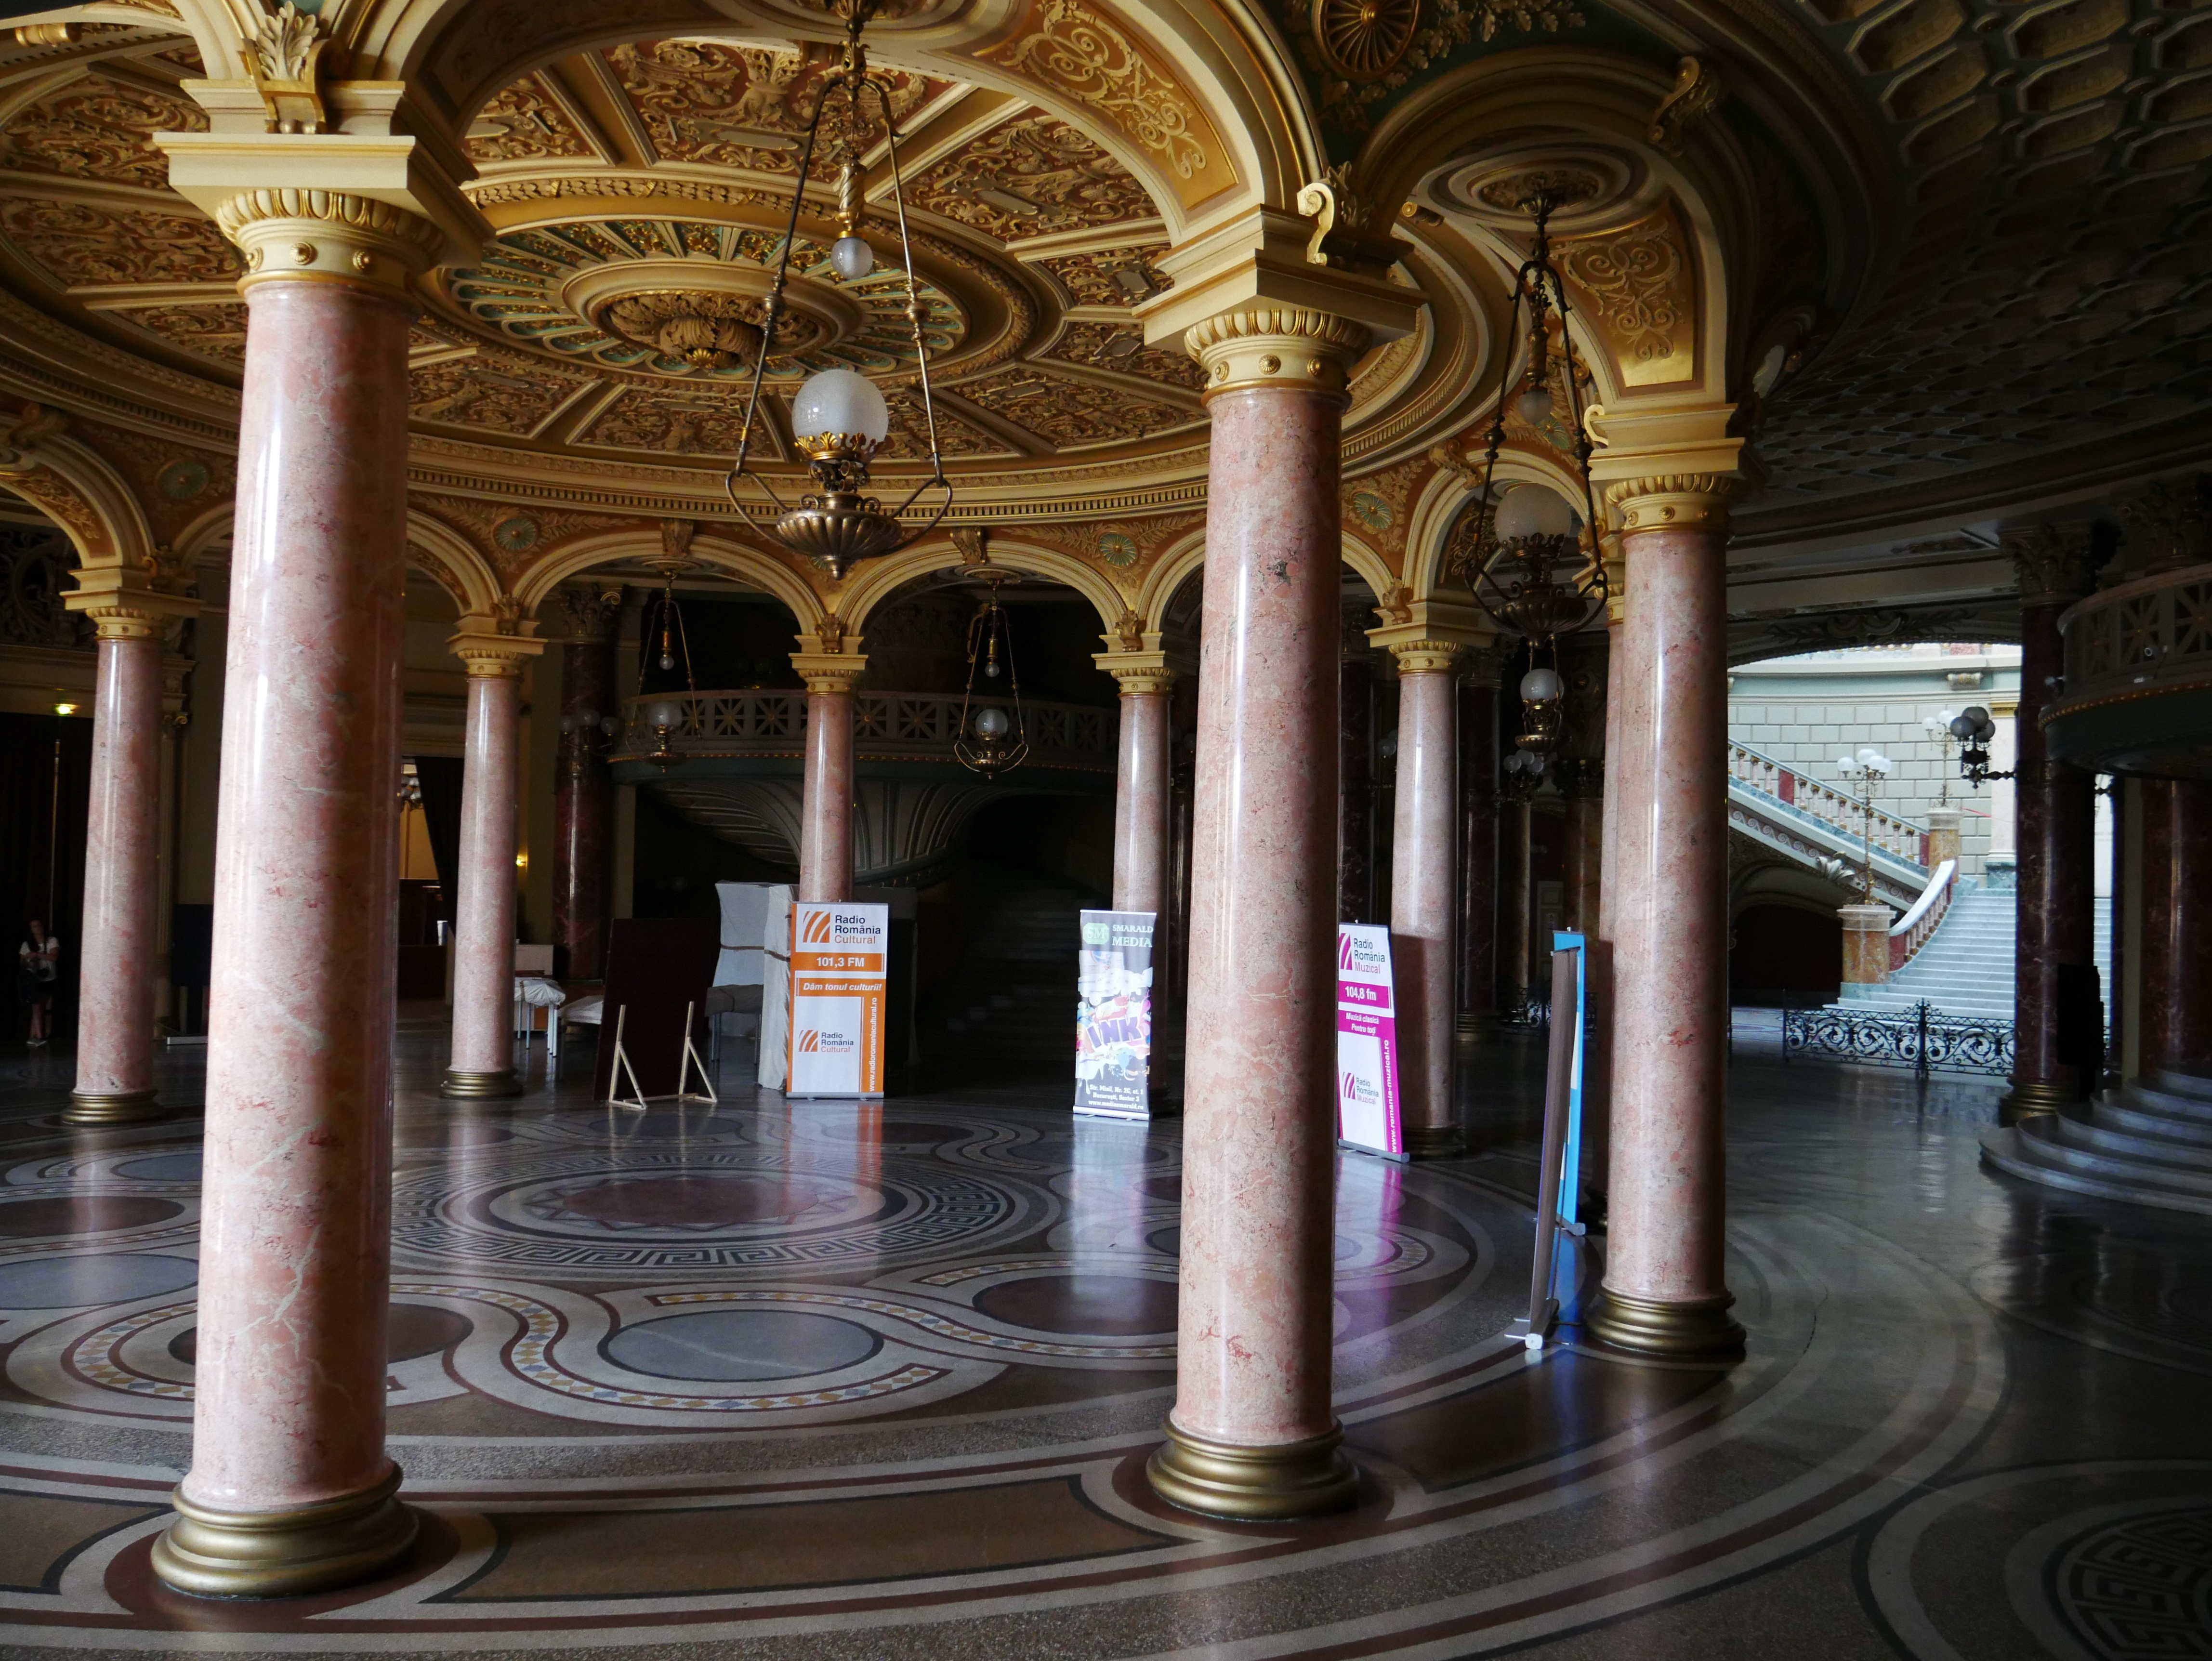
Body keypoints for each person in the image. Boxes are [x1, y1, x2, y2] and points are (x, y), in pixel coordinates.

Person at [17, 920, 57, 1046]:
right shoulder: (26, 944)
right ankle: (40, 1038)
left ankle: (32, 1037)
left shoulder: (51, 940)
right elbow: (22, 963)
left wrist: (38, 955)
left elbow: (54, 957)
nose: (37, 928)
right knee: (37, 1008)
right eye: (34, 926)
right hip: (33, 979)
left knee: (41, 1008)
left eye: (39, 925)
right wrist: (30, 961)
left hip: (49, 977)